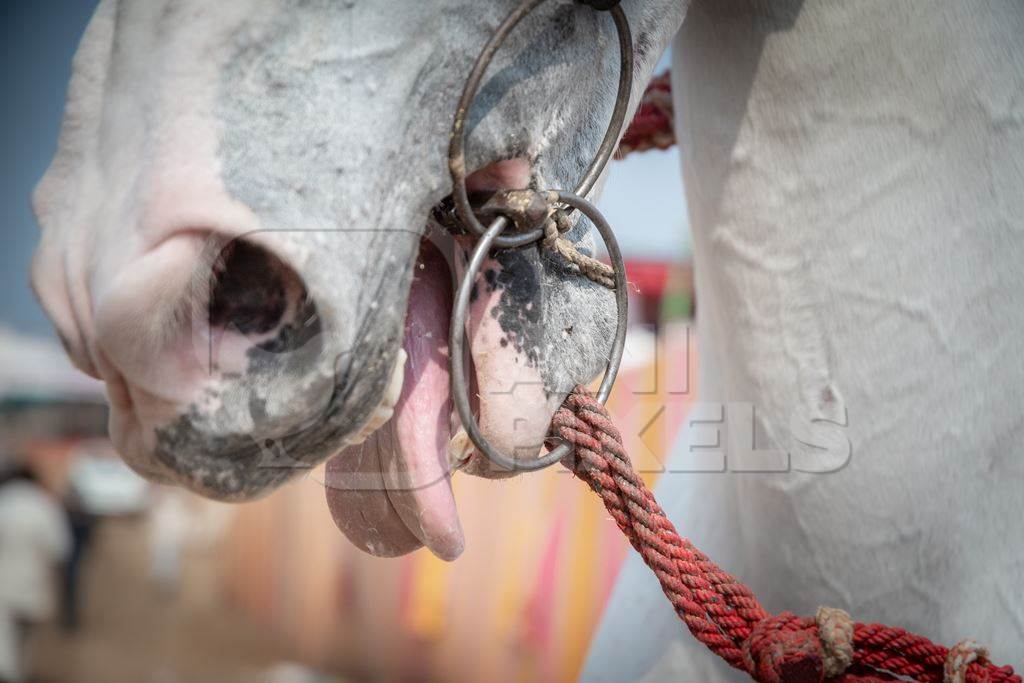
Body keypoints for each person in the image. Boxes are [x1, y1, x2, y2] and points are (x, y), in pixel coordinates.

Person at [0, 460, 71, 683]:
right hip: (35, 584)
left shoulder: (4, 501)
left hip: (5, 583)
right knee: (27, 641)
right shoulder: (45, 505)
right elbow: (61, 548)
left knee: (6, 642)